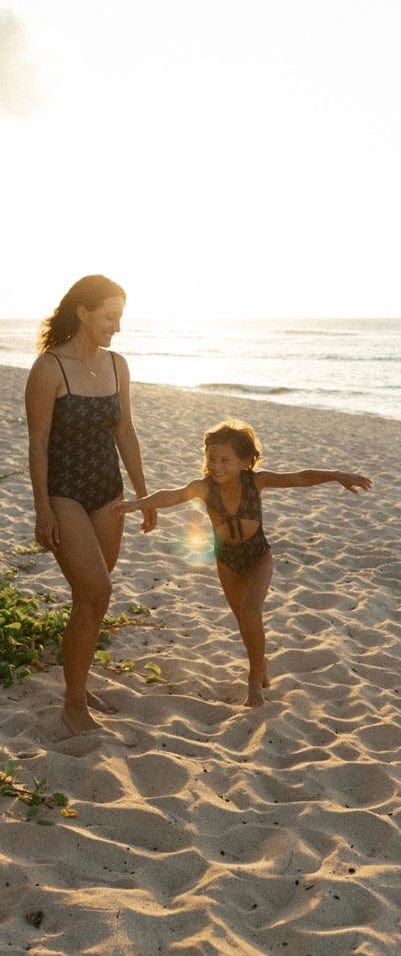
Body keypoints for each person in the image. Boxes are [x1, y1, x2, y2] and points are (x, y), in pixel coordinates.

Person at [112, 419, 372, 706]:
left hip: (258, 555)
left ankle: (254, 680)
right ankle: (260, 663)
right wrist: (138, 504)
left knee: (250, 612)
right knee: (244, 621)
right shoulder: (204, 487)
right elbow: (170, 496)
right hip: (227, 560)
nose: (217, 466)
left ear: (245, 461)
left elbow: (299, 478)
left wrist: (336, 475)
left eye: (225, 460)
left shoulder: (256, 481)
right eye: (212, 459)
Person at [25, 274, 156, 735]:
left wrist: (143, 493)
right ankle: (74, 707)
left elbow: (126, 432)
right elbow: (38, 444)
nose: (116, 327)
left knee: (91, 599)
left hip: (108, 492)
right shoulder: (49, 369)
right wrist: (42, 509)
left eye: (120, 318)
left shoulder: (118, 365)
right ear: (83, 313)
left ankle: (77, 686)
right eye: (109, 317)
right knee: (97, 592)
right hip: (64, 493)